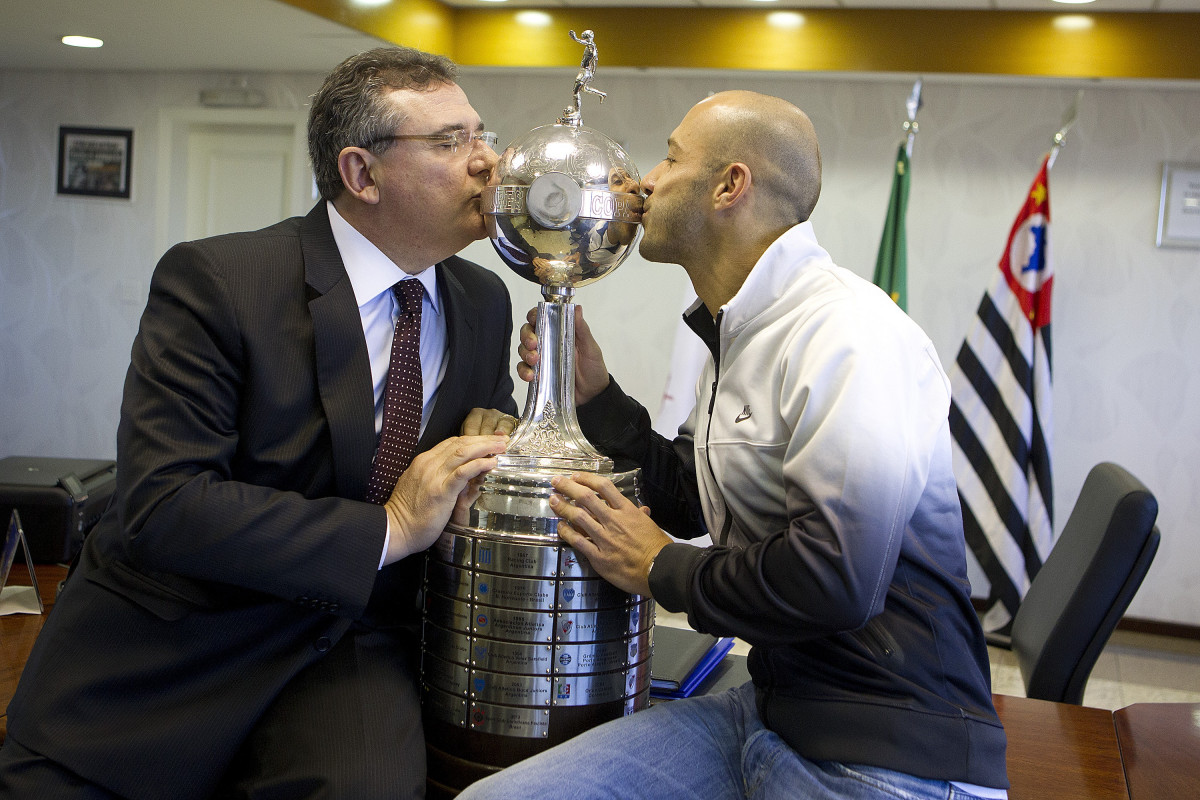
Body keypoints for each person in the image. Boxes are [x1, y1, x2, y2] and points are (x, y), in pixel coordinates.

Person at [0, 47, 519, 800]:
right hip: (175, 647)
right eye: (450, 141)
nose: (489, 162)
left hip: (350, 653)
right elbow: (164, 504)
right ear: (361, 174)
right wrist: (393, 528)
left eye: (483, 134)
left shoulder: (483, 301)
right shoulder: (218, 280)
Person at [459, 90, 1008, 799]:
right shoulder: (742, 328)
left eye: (670, 157)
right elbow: (695, 496)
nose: (641, 183)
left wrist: (662, 568)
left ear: (729, 185)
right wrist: (598, 400)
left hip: (884, 747)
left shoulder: (848, 336)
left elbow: (837, 580)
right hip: (769, 708)